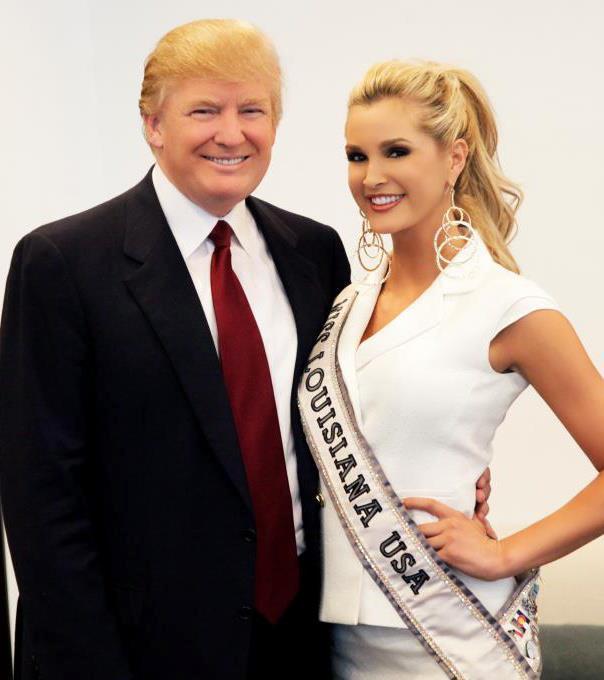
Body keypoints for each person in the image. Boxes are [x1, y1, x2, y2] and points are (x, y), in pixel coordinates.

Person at [0, 19, 352, 680]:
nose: (231, 132)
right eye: (203, 110)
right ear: (153, 125)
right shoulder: (62, 264)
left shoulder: (316, 254)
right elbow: (41, 498)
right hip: (133, 654)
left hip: (299, 644)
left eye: (253, 109)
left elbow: (344, 430)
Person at [298, 60, 604, 679]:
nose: (372, 177)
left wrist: (506, 553)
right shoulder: (345, 303)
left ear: (455, 157)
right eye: (357, 155)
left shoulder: (507, 305)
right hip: (333, 638)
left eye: (397, 151)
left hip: (449, 635)